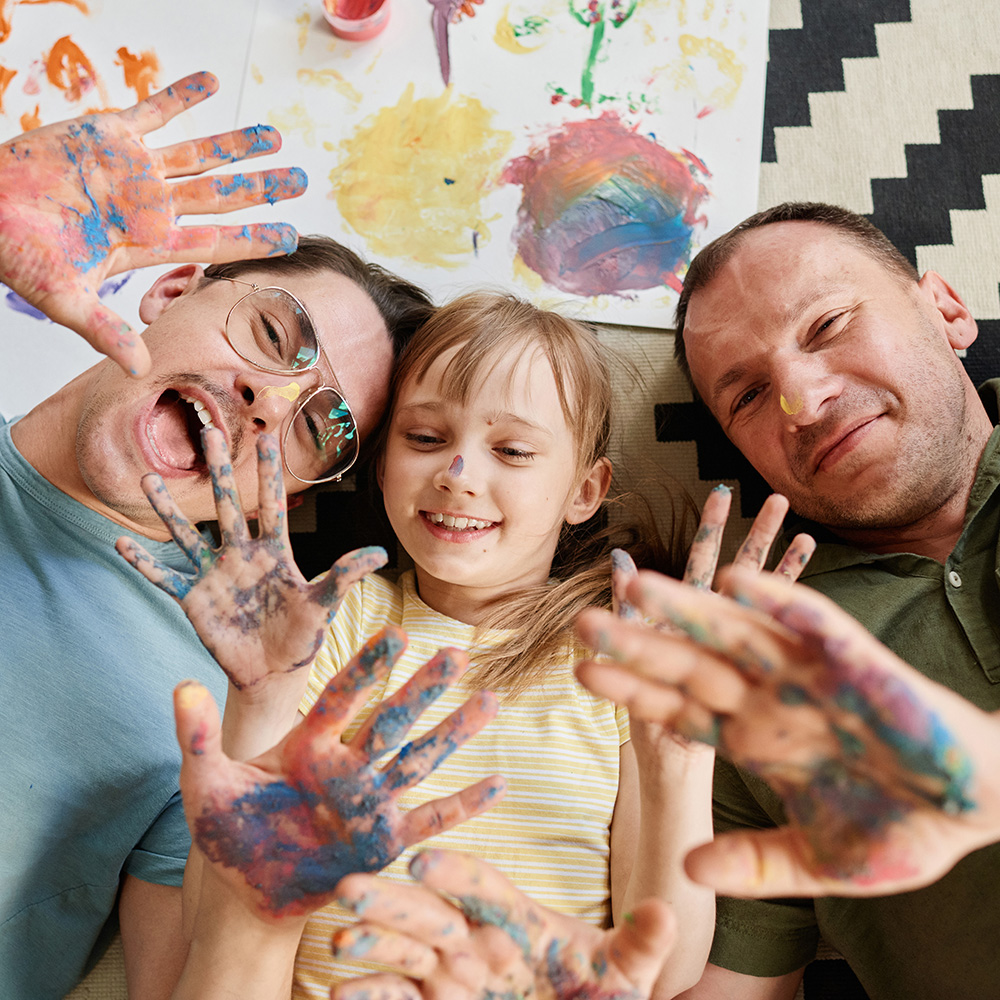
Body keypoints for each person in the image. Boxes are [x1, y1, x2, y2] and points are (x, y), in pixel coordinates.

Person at [122, 291, 733, 998]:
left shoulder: (622, 659)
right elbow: (222, 920)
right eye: (425, 439)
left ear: (584, 490)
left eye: (512, 450)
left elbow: (668, 970)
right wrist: (260, 698)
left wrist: (680, 769)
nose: (458, 474)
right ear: (382, 466)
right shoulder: (331, 618)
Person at [0, 70, 435, 999]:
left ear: (308, 492)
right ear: (171, 288)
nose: (266, 400)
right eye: (277, 333)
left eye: (318, 427)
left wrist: (256, 914)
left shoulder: (208, 711)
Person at [638, 200, 1000, 999]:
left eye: (828, 324)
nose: (800, 399)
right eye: (748, 397)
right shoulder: (756, 673)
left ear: (946, 309)